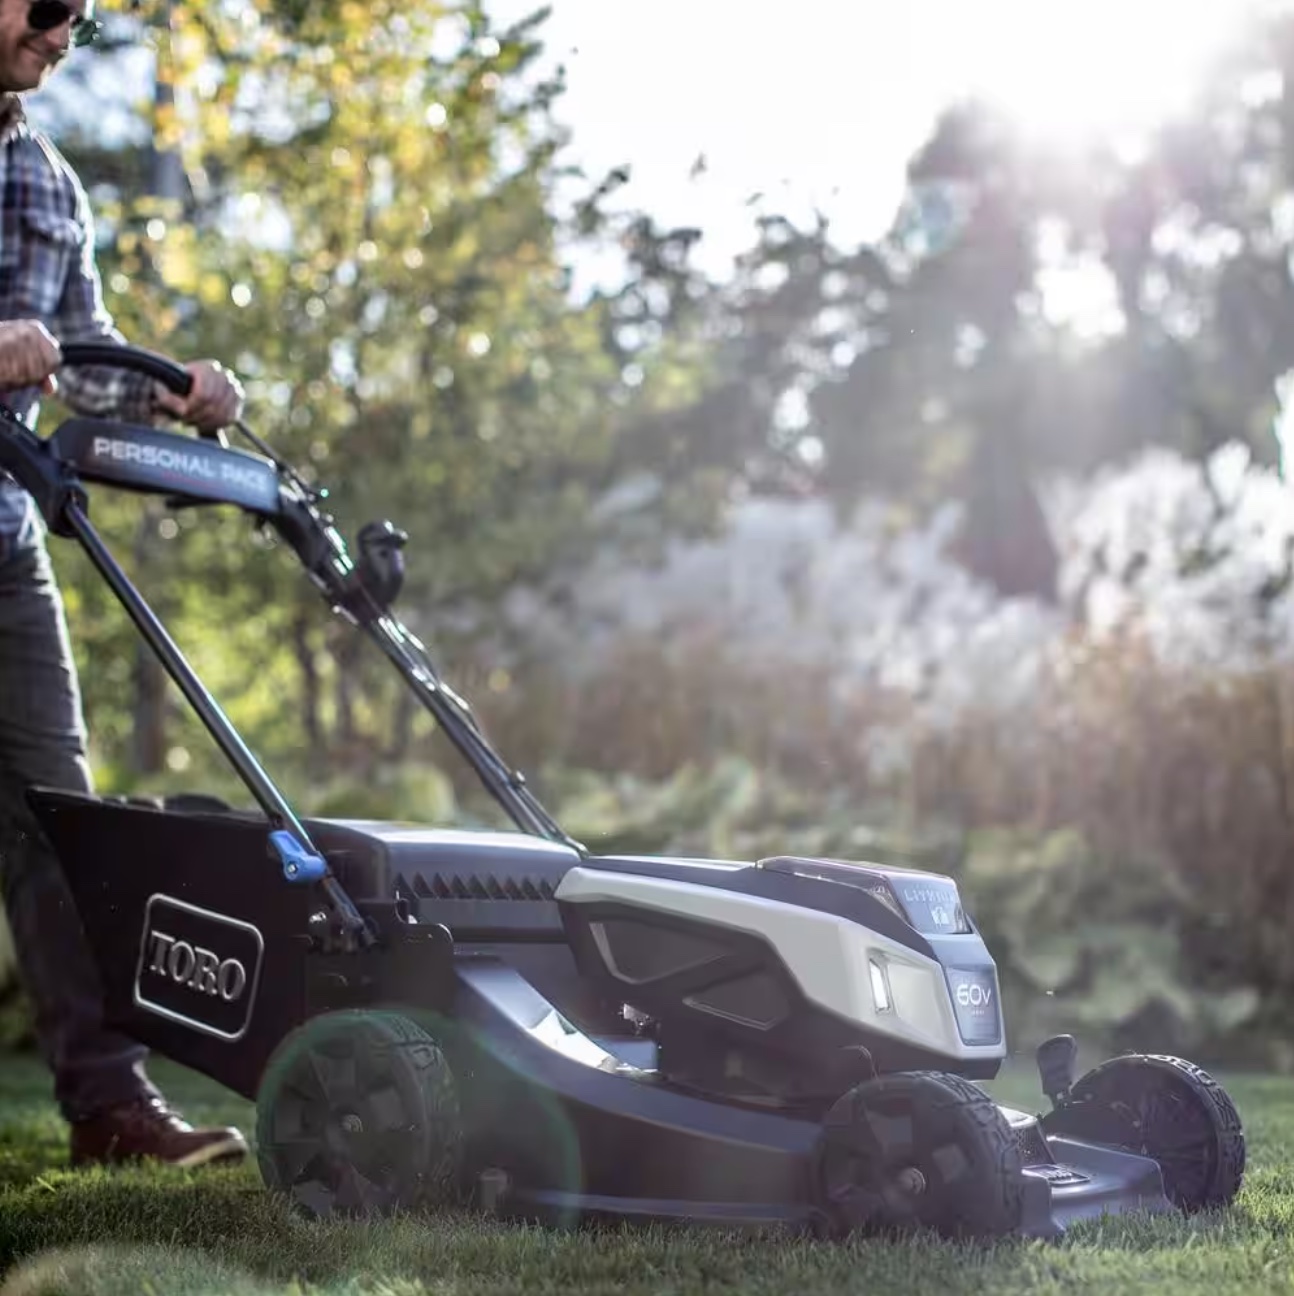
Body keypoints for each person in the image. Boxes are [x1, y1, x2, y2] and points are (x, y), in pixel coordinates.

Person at [0, 0, 250, 1167]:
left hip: (4, 539)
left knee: (61, 820)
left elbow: (82, 354)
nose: (60, 34)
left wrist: (175, 388)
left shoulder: (50, 180)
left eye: (81, 21)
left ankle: (108, 1110)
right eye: (44, 8)